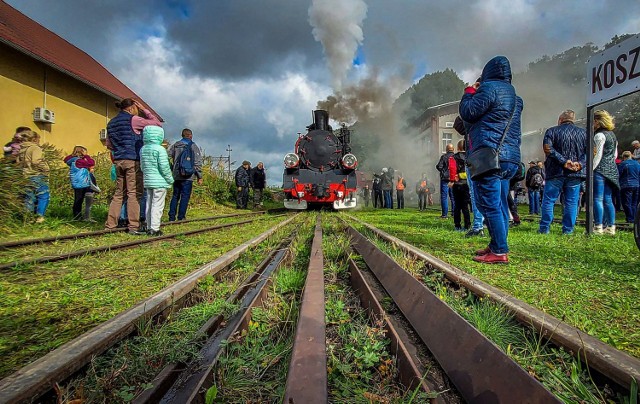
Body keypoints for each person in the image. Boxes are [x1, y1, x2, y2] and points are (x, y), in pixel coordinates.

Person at [459, 55, 523, 264]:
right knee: (501, 203)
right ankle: (497, 244)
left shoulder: (489, 89)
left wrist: (469, 92)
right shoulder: (515, 96)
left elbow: (468, 113)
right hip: (509, 159)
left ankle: (499, 251)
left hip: (490, 156)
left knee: (489, 204)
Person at [105, 98, 162, 234]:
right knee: (134, 194)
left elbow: (109, 145)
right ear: (131, 108)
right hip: (132, 160)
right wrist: (144, 110)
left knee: (119, 194)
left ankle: (110, 225)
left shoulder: (111, 123)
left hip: (118, 160)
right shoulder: (134, 120)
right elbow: (157, 124)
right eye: (136, 109)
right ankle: (133, 226)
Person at [537, 110, 586, 235]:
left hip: (555, 172)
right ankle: (568, 230)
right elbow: (592, 151)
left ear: (560, 119)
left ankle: (544, 228)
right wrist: (580, 163)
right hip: (575, 173)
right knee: (571, 202)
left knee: (549, 200)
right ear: (573, 119)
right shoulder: (584, 133)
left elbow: (548, 149)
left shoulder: (552, 131)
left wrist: (564, 161)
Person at [453, 116, 484, 237]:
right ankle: (487, 224)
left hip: (474, 158)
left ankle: (478, 225)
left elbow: (458, 124)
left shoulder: (473, 117)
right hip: (489, 157)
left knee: (476, 194)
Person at [140, 126, 174, 236]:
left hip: (148, 180)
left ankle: (149, 226)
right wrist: (170, 179)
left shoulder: (143, 149)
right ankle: (155, 228)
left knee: (149, 203)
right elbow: (164, 167)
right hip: (159, 181)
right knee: (157, 204)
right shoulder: (160, 149)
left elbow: (142, 167)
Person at [592, 110, 620, 235]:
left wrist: (591, 170)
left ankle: (598, 226)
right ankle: (611, 227)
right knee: (608, 199)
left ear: (597, 121)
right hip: (612, 169)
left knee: (597, 198)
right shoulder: (613, 136)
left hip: (600, 169)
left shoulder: (599, 136)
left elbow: (598, 155)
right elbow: (615, 155)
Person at [168, 128, 203, 221]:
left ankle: (171, 216)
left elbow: (167, 156)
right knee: (185, 196)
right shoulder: (193, 146)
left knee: (175, 195)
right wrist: (199, 176)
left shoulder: (175, 145)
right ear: (190, 135)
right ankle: (181, 217)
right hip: (188, 175)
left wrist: (172, 168)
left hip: (176, 175)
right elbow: (197, 162)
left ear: (182, 135)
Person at [16, 130, 50, 223]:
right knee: (43, 196)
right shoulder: (35, 148)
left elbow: (18, 163)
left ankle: (28, 218)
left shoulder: (22, 149)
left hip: (26, 176)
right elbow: (36, 161)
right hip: (37, 175)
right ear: (34, 139)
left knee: (29, 197)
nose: (39, 141)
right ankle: (40, 217)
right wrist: (46, 168)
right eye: (38, 139)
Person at [63, 145, 97, 221]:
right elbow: (91, 163)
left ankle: (79, 216)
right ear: (81, 152)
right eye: (85, 152)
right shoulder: (78, 161)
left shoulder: (73, 160)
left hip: (79, 182)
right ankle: (77, 217)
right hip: (81, 183)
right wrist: (87, 156)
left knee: (79, 199)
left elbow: (66, 159)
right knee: (78, 200)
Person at [449, 139, 471, 231]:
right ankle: (467, 225)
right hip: (466, 184)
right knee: (465, 206)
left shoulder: (453, 158)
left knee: (457, 206)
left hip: (457, 184)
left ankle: (457, 225)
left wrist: (452, 180)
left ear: (457, 148)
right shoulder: (469, 157)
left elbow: (452, 169)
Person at [618, 150, 640, 223]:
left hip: (626, 185)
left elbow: (619, 174)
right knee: (634, 203)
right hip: (637, 185)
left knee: (626, 203)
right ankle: (634, 218)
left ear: (624, 157)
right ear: (630, 156)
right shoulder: (637, 164)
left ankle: (630, 218)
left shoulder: (623, 164)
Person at [436, 143, 455, 218]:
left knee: (444, 197)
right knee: (453, 196)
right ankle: (454, 213)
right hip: (453, 179)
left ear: (446, 149)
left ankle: (444, 215)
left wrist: (443, 172)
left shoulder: (443, 157)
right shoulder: (455, 157)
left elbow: (439, 166)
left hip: (445, 179)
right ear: (453, 149)